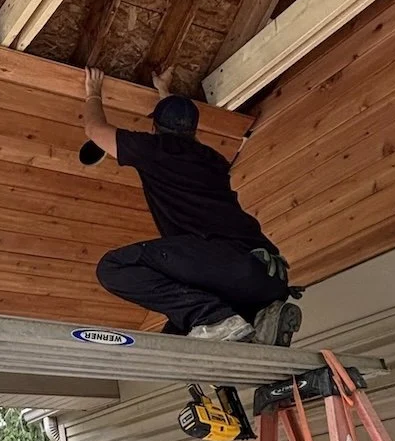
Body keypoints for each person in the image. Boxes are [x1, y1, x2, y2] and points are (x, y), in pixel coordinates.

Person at [82, 65, 301, 344]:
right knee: (177, 338)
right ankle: (256, 321)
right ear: (193, 130)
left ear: (155, 128)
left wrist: (94, 93)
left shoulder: (154, 150)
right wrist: (164, 91)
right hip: (266, 277)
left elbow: (94, 129)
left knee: (112, 268)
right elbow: (178, 131)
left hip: (226, 264)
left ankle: (215, 318)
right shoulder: (213, 160)